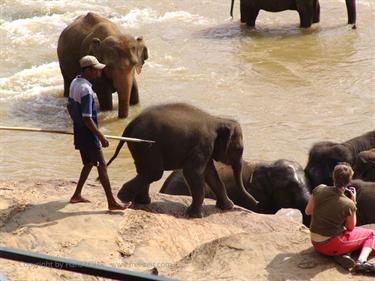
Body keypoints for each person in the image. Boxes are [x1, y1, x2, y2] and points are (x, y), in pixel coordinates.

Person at [67, 55, 131, 211]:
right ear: (88, 70)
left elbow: (69, 107)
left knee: (88, 163)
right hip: (89, 134)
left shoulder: (74, 83)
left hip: (80, 132)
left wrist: (76, 123)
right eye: (96, 70)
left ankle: (76, 195)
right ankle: (112, 202)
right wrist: (100, 136)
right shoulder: (86, 90)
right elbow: (88, 118)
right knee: (101, 165)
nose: (99, 73)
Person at [305, 162, 375, 273]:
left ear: (333, 177)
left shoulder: (319, 189)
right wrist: (353, 203)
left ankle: (344, 254)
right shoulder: (348, 204)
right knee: (371, 234)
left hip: (315, 242)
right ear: (350, 181)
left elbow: (308, 211)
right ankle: (361, 262)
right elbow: (351, 227)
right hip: (331, 245)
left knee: (349, 235)